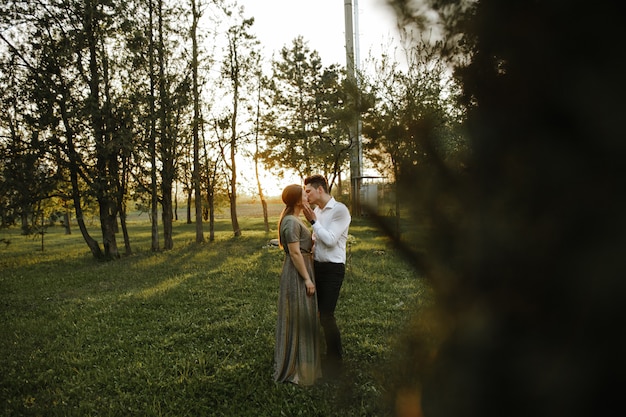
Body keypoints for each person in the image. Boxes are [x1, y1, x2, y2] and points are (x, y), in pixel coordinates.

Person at [302, 174, 351, 378]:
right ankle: (322, 353)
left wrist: (313, 222)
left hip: (333, 268)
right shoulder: (317, 211)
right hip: (317, 267)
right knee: (320, 314)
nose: (307, 196)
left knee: (327, 315)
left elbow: (330, 240)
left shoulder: (340, 210)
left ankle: (336, 360)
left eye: (308, 192)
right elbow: (317, 240)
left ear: (320, 189)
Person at [273, 184, 323, 386]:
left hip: (303, 268)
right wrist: (307, 279)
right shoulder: (291, 222)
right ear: (296, 200)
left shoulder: (295, 219)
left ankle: (305, 362)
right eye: (304, 195)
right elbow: (294, 253)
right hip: (298, 273)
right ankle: (295, 367)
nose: (307, 197)